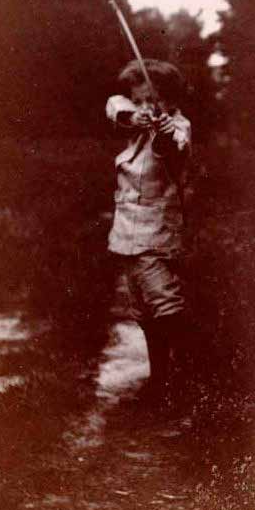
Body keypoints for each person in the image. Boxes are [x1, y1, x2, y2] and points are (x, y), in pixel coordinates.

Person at [95, 58, 191, 414]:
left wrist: (164, 131)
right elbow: (113, 105)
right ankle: (160, 383)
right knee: (145, 315)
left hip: (156, 235)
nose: (143, 106)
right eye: (138, 99)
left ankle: (183, 386)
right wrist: (133, 115)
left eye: (149, 100)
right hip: (127, 238)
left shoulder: (178, 127)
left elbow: (173, 148)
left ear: (167, 99)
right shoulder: (135, 121)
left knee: (167, 308)